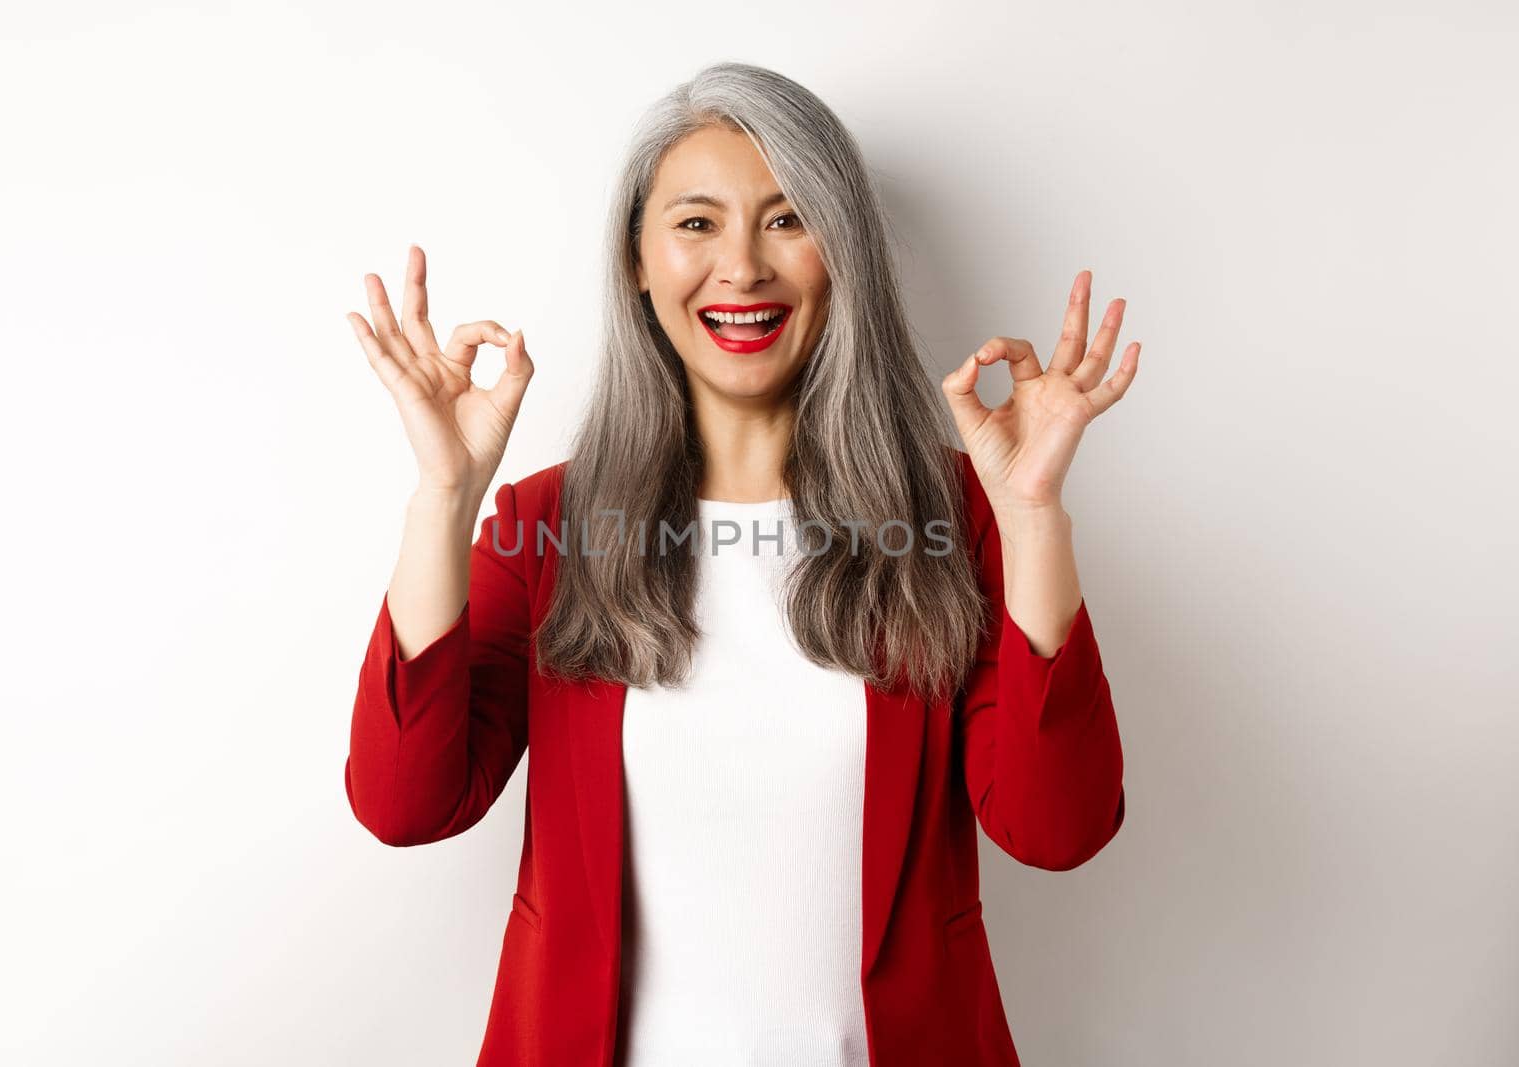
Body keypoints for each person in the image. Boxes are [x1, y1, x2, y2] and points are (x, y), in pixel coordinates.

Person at [343, 61, 1136, 1067]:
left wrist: (1030, 518)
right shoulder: (547, 525)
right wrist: (443, 496)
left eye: (786, 218)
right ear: (636, 258)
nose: (743, 269)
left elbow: (1056, 826)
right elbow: (407, 801)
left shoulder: (952, 519)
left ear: (841, 254)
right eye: (696, 223)